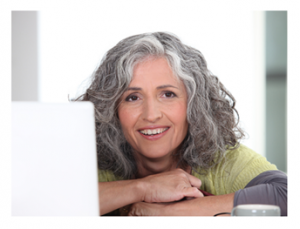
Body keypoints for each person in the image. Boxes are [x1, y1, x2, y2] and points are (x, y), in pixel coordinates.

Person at [76, 32, 287, 216]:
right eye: (132, 98)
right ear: (112, 109)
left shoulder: (222, 161)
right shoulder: (92, 162)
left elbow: (288, 195)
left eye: (168, 94)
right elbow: (47, 204)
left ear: (193, 105)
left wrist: (168, 214)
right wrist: (143, 188)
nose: (151, 115)